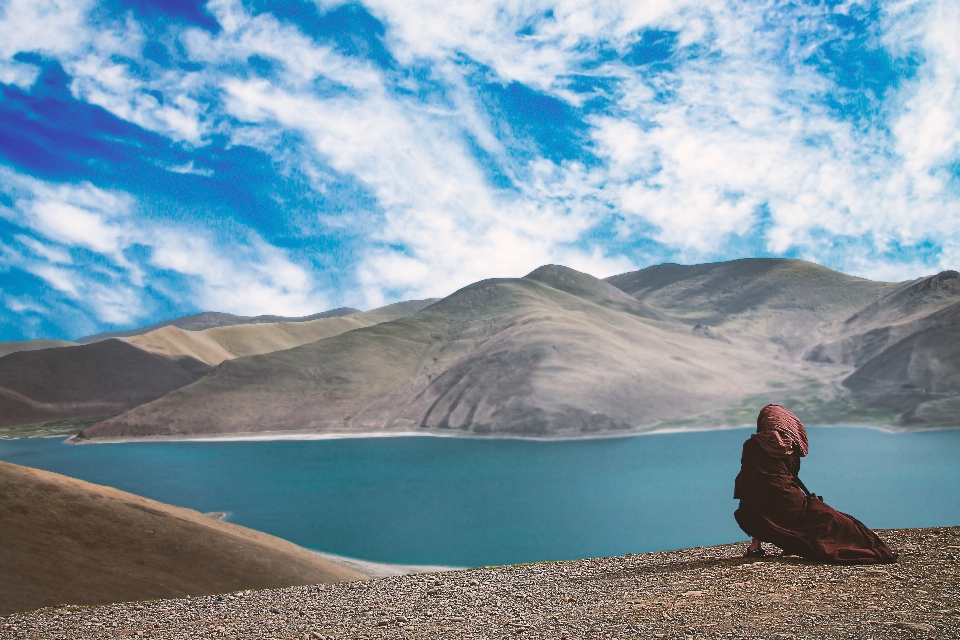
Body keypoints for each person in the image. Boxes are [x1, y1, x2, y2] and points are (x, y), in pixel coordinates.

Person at [733, 404, 897, 564]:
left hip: (755, 506)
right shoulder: (791, 448)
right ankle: (870, 547)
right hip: (790, 504)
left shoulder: (752, 445)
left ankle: (755, 546)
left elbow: (749, 478)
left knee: (754, 507)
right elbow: (790, 477)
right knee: (827, 519)